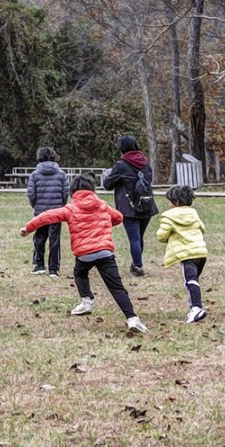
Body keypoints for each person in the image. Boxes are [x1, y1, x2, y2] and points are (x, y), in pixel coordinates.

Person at [20, 174, 148, 333]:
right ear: (92, 190)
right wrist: (105, 224)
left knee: (79, 273)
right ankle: (132, 319)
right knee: (117, 288)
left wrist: (28, 228)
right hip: (105, 253)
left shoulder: (70, 208)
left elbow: (46, 217)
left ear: (72, 193)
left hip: (84, 254)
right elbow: (119, 217)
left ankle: (87, 301)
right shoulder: (102, 205)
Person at [103, 135, 159, 277]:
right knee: (139, 237)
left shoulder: (121, 165)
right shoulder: (146, 163)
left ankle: (138, 267)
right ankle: (136, 264)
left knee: (134, 238)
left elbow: (107, 185)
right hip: (146, 204)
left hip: (130, 207)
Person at [156, 185, 208, 323]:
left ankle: (196, 308)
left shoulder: (168, 216)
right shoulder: (193, 213)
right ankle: (195, 307)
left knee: (190, 282)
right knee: (194, 281)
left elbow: (161, 236)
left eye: (170, 201)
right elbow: (202, 229)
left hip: (187, 256)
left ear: (176, 202)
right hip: (201, 253)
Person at [26, 147, 69, 277]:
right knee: (54, 240)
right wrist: (61, 206)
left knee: (39, 238)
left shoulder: (34, 175)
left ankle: (39, 265)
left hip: (40, 211)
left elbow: (31, 194)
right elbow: (65, 193)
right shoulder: (62, 174)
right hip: (56, 211)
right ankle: (54, 269)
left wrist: (36, 206)